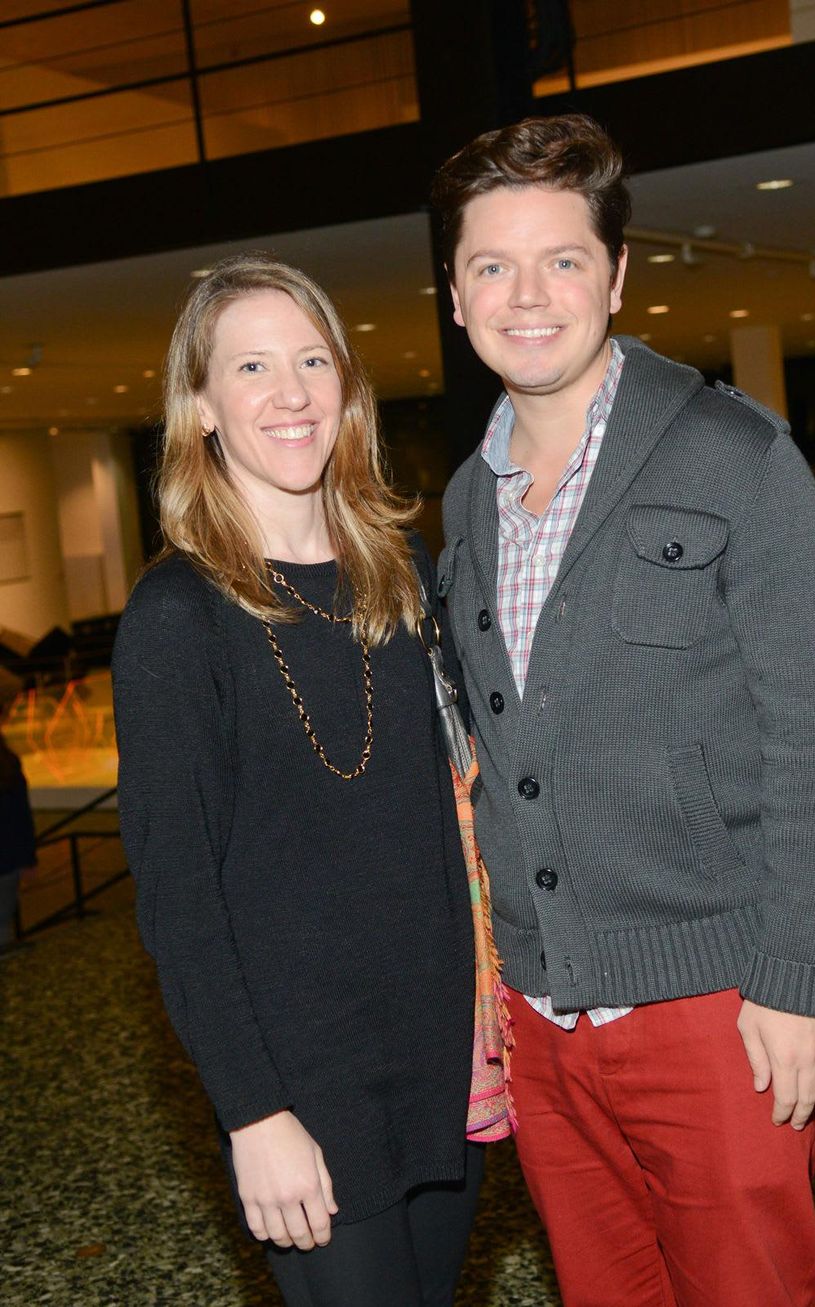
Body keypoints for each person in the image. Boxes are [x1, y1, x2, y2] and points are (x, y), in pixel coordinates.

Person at [430, 114, 815, 1306]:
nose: (527, 295)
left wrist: (796, 979)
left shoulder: (733, 454)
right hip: (541, 1020)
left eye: (561, 259)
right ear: (456, 296)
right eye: (491, 266)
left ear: (614, 277)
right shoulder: (468, 499)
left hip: (717, 1011)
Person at [112, 255, 483, 1307]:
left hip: (438, 1051)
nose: (290, 393)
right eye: (252, 365)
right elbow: (179, 898)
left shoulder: (399, 573)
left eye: (313, 359)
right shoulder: (177, 618)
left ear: (348, 388)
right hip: (302, 1079)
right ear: (200, 408)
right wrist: (252, 1110)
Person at [0, 717, 36, 957]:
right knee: (4, 910)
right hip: (8, 856)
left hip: (8, 854)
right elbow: (20, 816)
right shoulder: (9, 767)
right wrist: (28, 857)